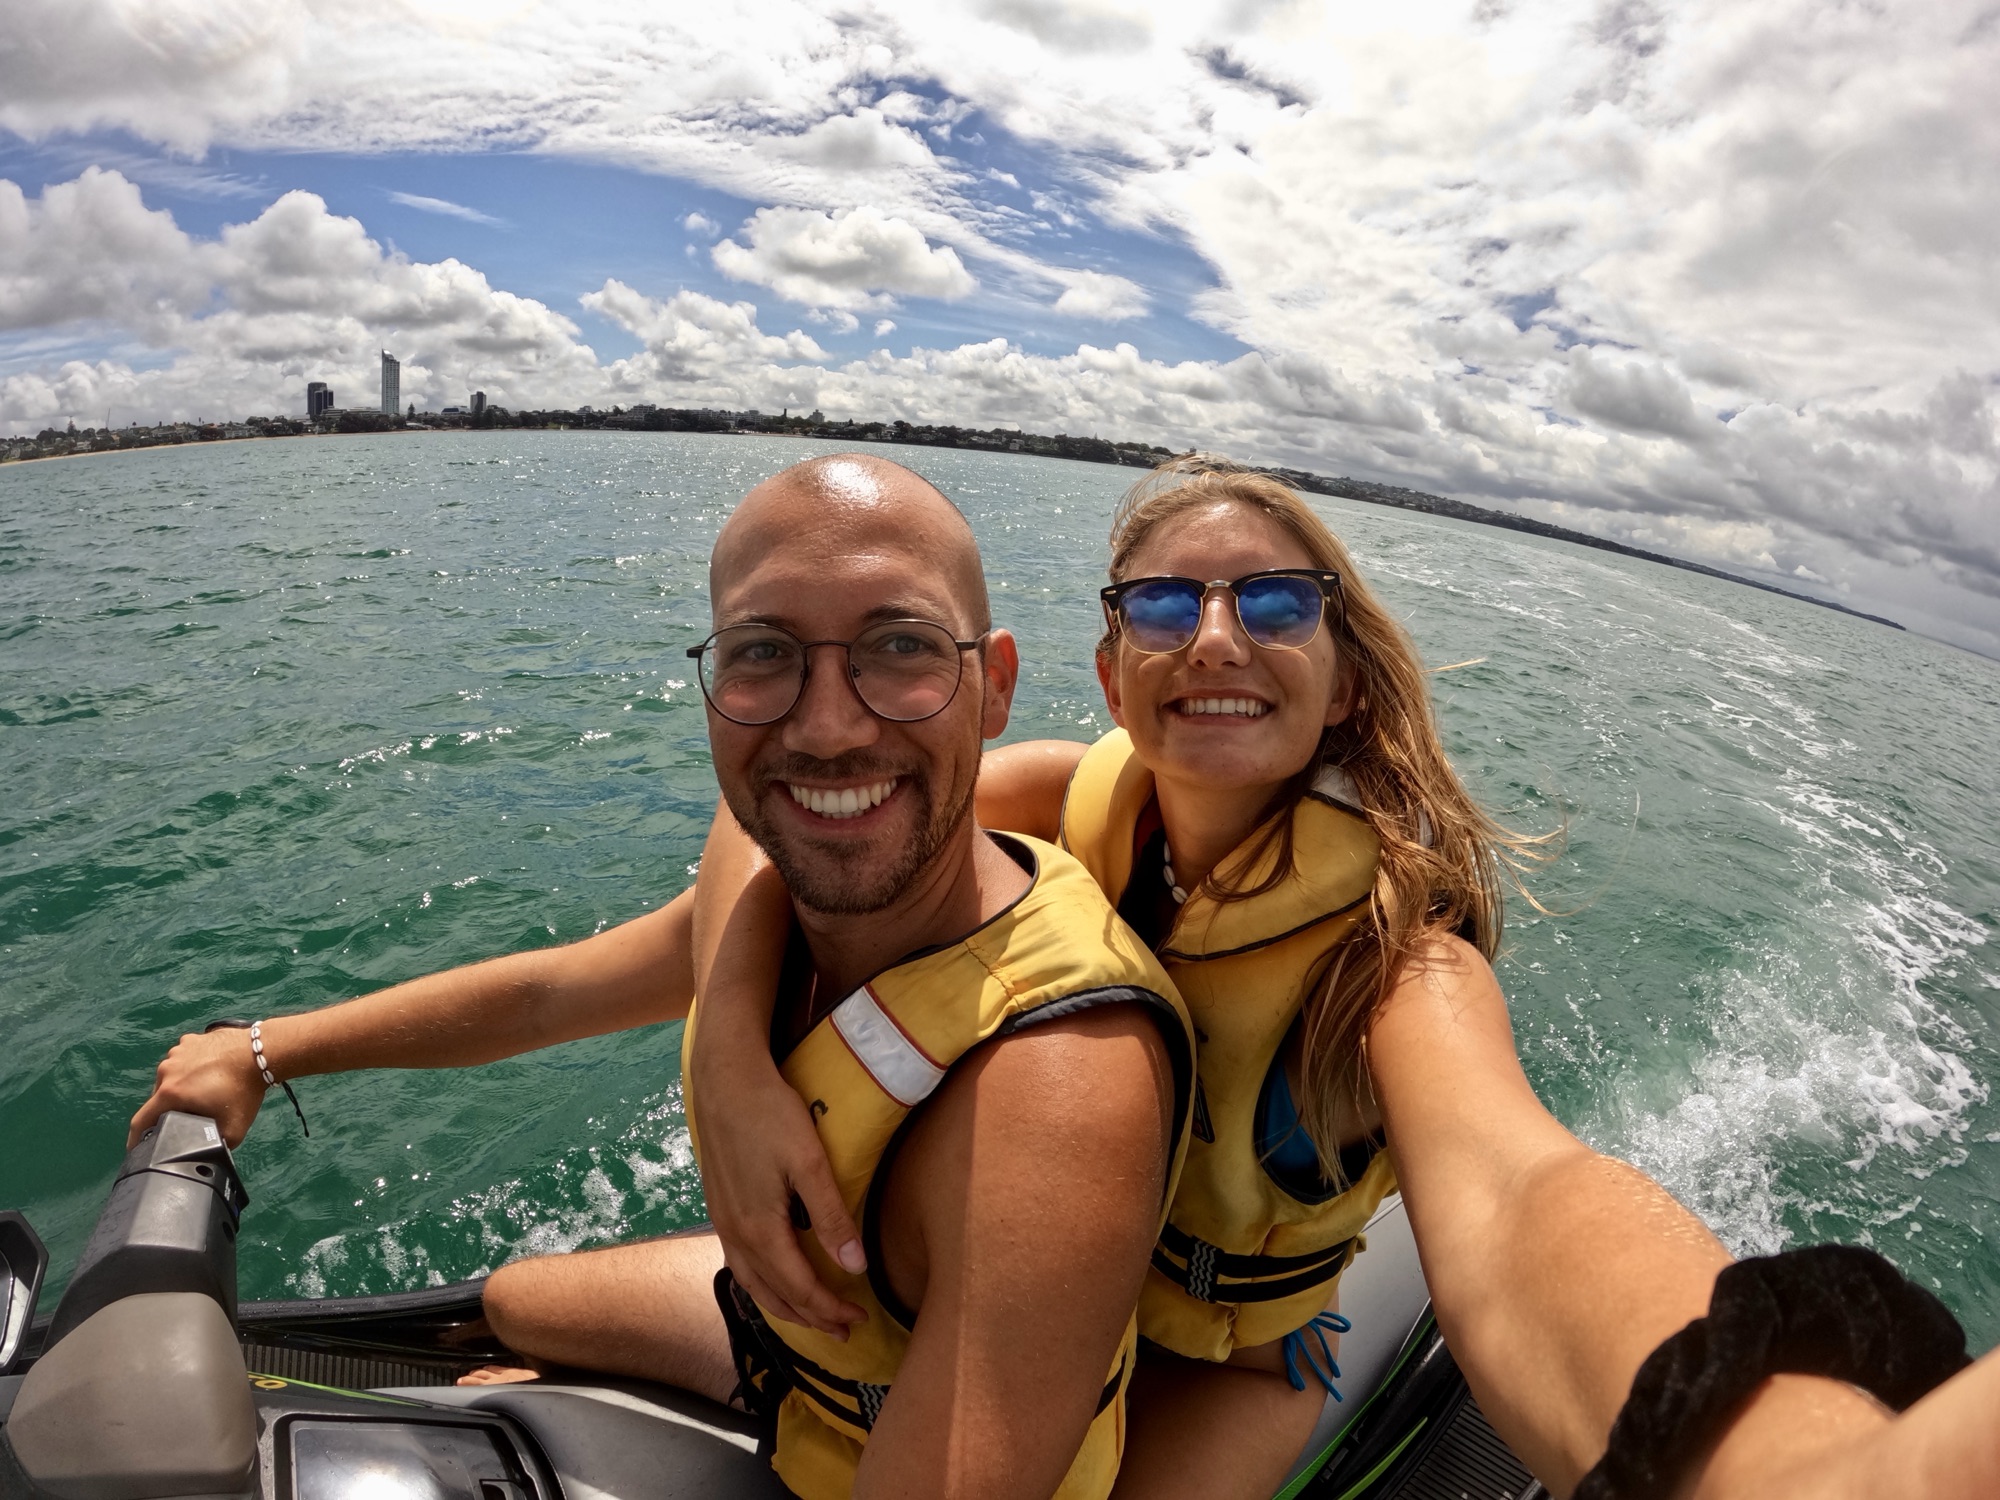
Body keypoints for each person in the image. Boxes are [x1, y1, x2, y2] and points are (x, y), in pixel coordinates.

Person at [681, 456, 2000, 1500]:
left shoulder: (1391, 960)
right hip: (1047, 1293)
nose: (1211, 636)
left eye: (1272, 603)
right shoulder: (1083, 796)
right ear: (1110, 675)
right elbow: (786, 816)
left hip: (1237, 1365)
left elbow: (1517, 1188)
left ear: (1346, 684)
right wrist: (726, 1048)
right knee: (511, 1313)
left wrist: (1774, 1448)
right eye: (1160, 602)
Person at [133, 453, 1198, 1500]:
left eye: (900, 645)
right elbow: (549, 994)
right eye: (763, 654)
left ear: (994, 683)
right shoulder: (800, 905)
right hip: (794, 1341)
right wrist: (264, 1052)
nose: (826, 726)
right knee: (509, 1303)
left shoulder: (1052, 1095)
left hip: (846, 1443)